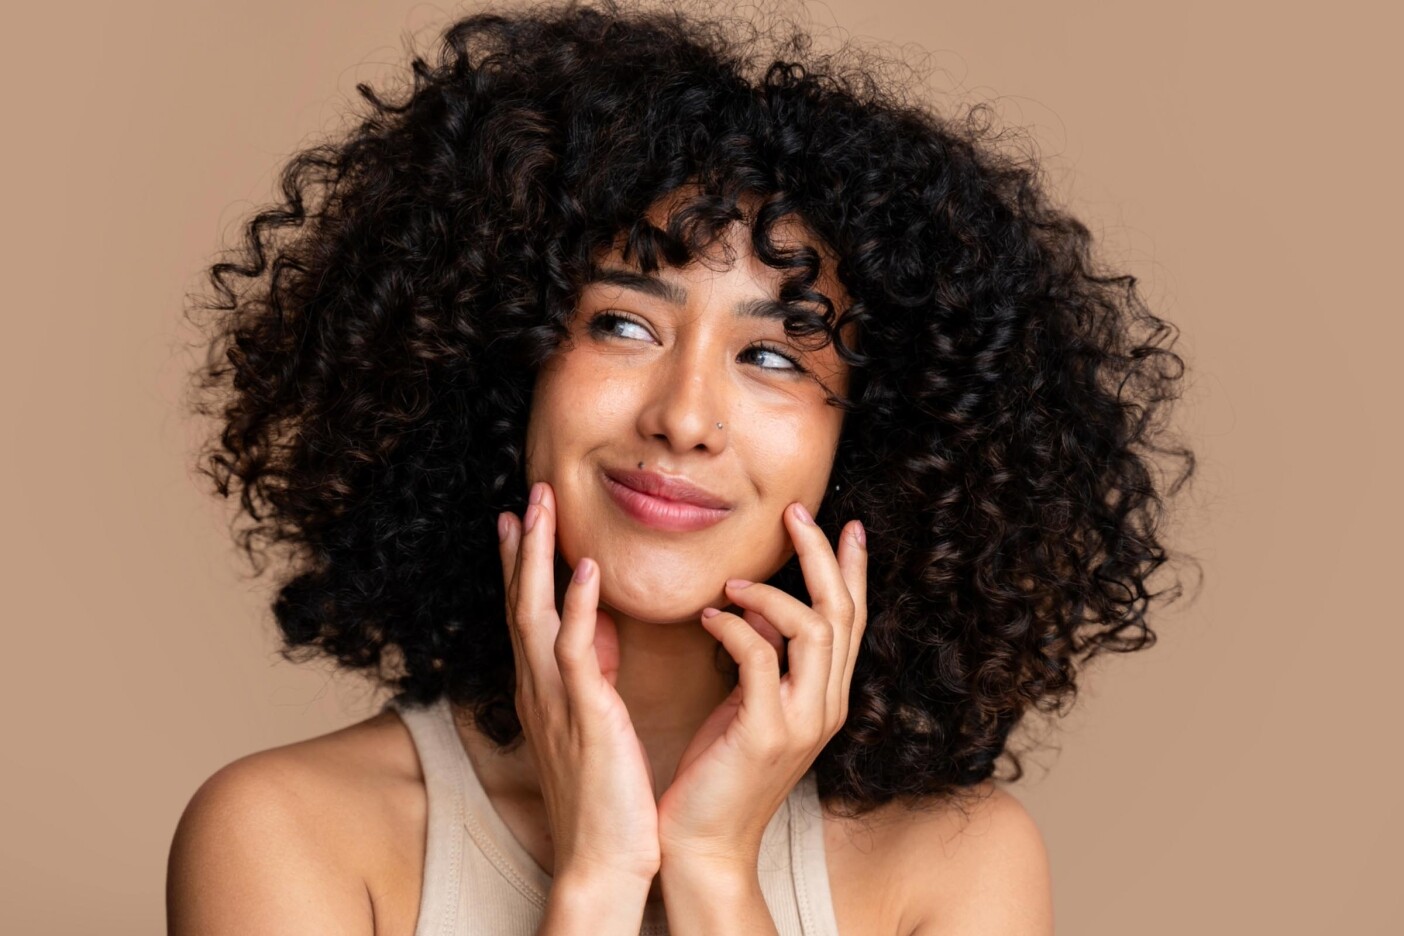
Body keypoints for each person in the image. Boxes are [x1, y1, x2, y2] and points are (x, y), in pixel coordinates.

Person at [166, 1, 1194, 933]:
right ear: (506, 364)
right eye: (621, 323)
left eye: (775, 355)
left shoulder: (954, 868)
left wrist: (710, 872)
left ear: (874, 443)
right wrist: (597, 883)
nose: (685, 417)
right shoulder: (285, 835)